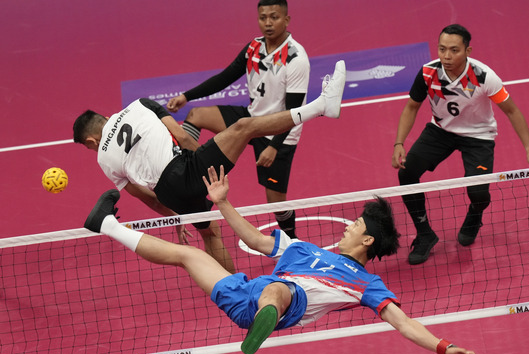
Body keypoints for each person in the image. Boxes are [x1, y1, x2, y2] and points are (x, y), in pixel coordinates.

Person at [83, 165, 485, 354]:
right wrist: (223, 203)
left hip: (281, 305)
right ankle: (107, 225)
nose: (348, 227)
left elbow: (403, 322)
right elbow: (257, 241)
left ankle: (265, 321)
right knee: (189, 256)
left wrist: (443, 348)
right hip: (247, 295)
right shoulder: (302, 247)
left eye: (356, 226)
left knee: (283, 291)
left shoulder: (367, 283)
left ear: (366, 242)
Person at [73, 60, 345, 273]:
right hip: (186, 168)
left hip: (169, 193)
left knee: (210, 233)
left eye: (89, 147)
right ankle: (321, 107)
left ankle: (235, 290)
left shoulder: (103, 160)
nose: (92, 149)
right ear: (106, 117)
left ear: (91, 140)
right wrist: (203, 159)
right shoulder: (139, 105)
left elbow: (146, 197)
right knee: (243, 127)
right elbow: (181, 136)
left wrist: (177, 216)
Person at [391, 24, 529, 265]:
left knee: (479, 192)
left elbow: (512, 111)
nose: (446, 56)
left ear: (467, 50)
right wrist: (399, 143)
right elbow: (411, 107)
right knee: (407, 173)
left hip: (478, 136)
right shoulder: (428, 73)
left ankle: (475, 213)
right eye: (442, 49)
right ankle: (424, 234)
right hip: (441, 131)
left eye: (454, 50)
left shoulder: (483, 76)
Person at [166, 0, 310, 239]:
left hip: (279, 131)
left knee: (276, 202)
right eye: (263, 17)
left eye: (274, 17)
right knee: (196, 115)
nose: (268, 23)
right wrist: (187, 96)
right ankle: (190, 170)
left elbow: (295, 112)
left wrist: (274, 147)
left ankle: (293, 242)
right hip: (251, 119)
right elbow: (225, 77)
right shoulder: (253, 47)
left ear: (286, 20)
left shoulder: (296, 58)